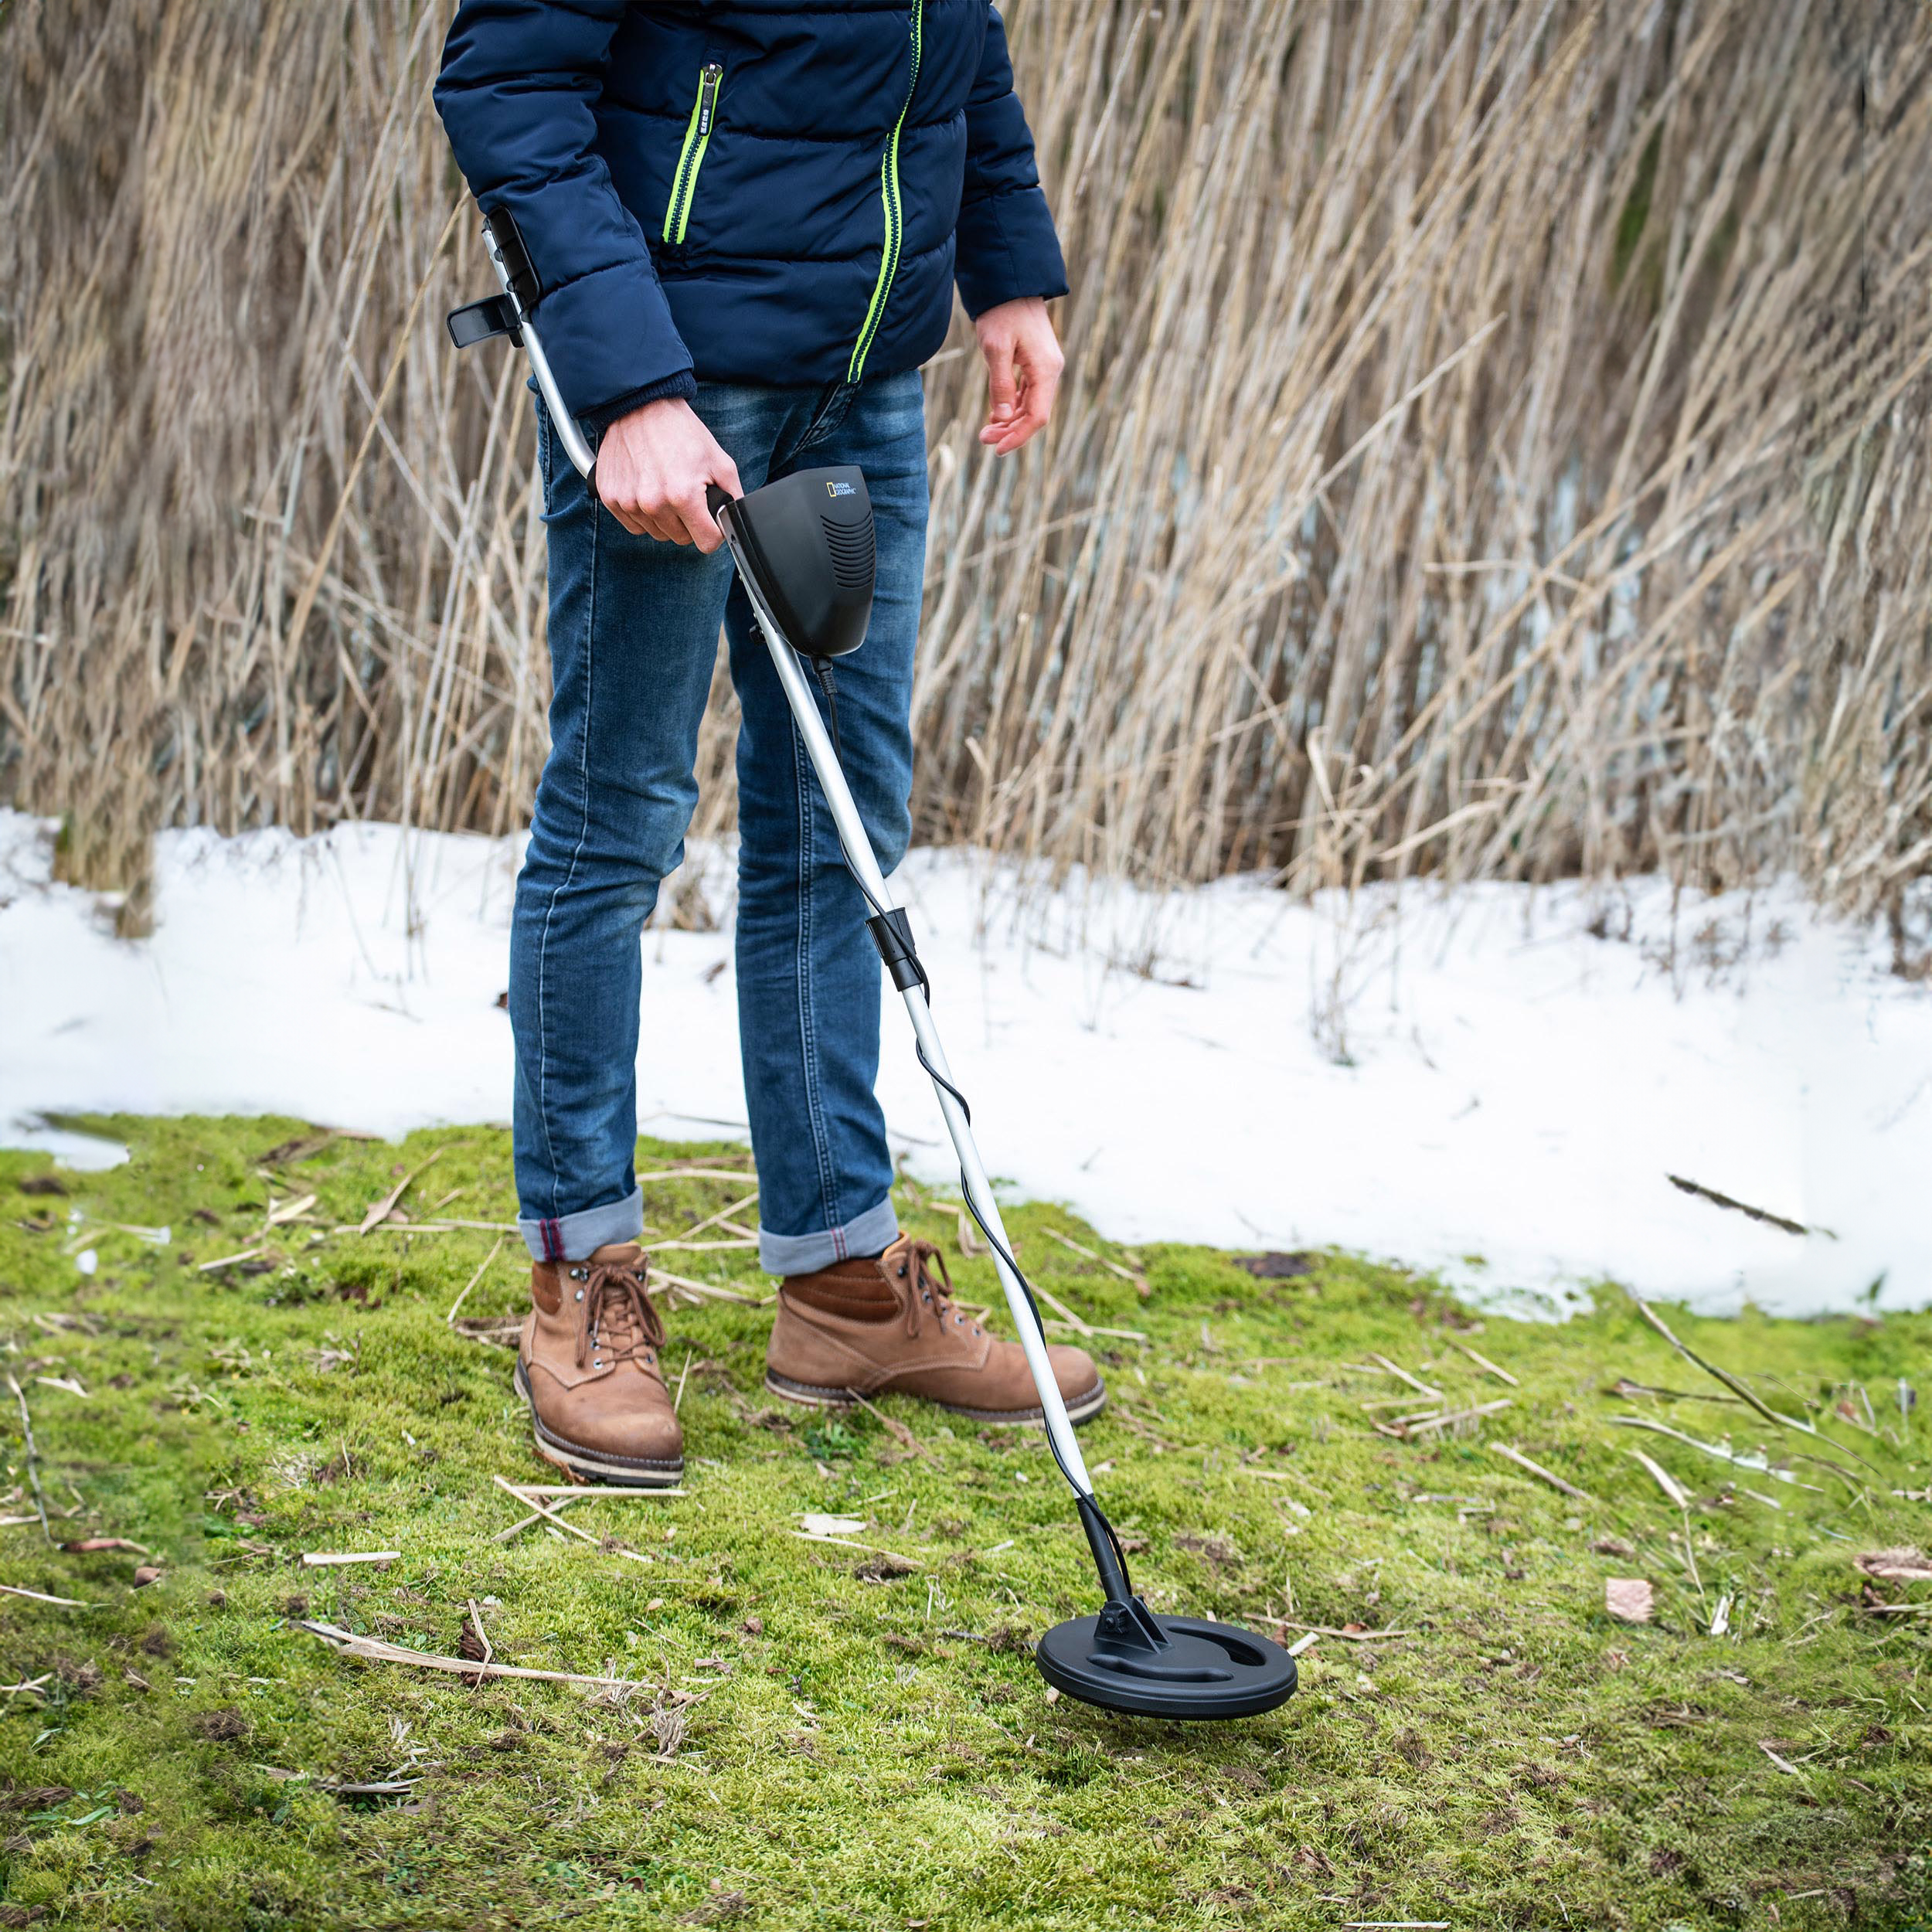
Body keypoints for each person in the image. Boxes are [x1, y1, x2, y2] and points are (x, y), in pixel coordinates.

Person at [435, 1, 1104, 1486]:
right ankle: (580, 1283)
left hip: (861, 379)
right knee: (620, 822)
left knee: (841, 829)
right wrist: (628, 387)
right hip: (672, 378)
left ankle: (843, 1286)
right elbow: (505, 80)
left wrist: (1009, 276)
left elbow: (963, 53)